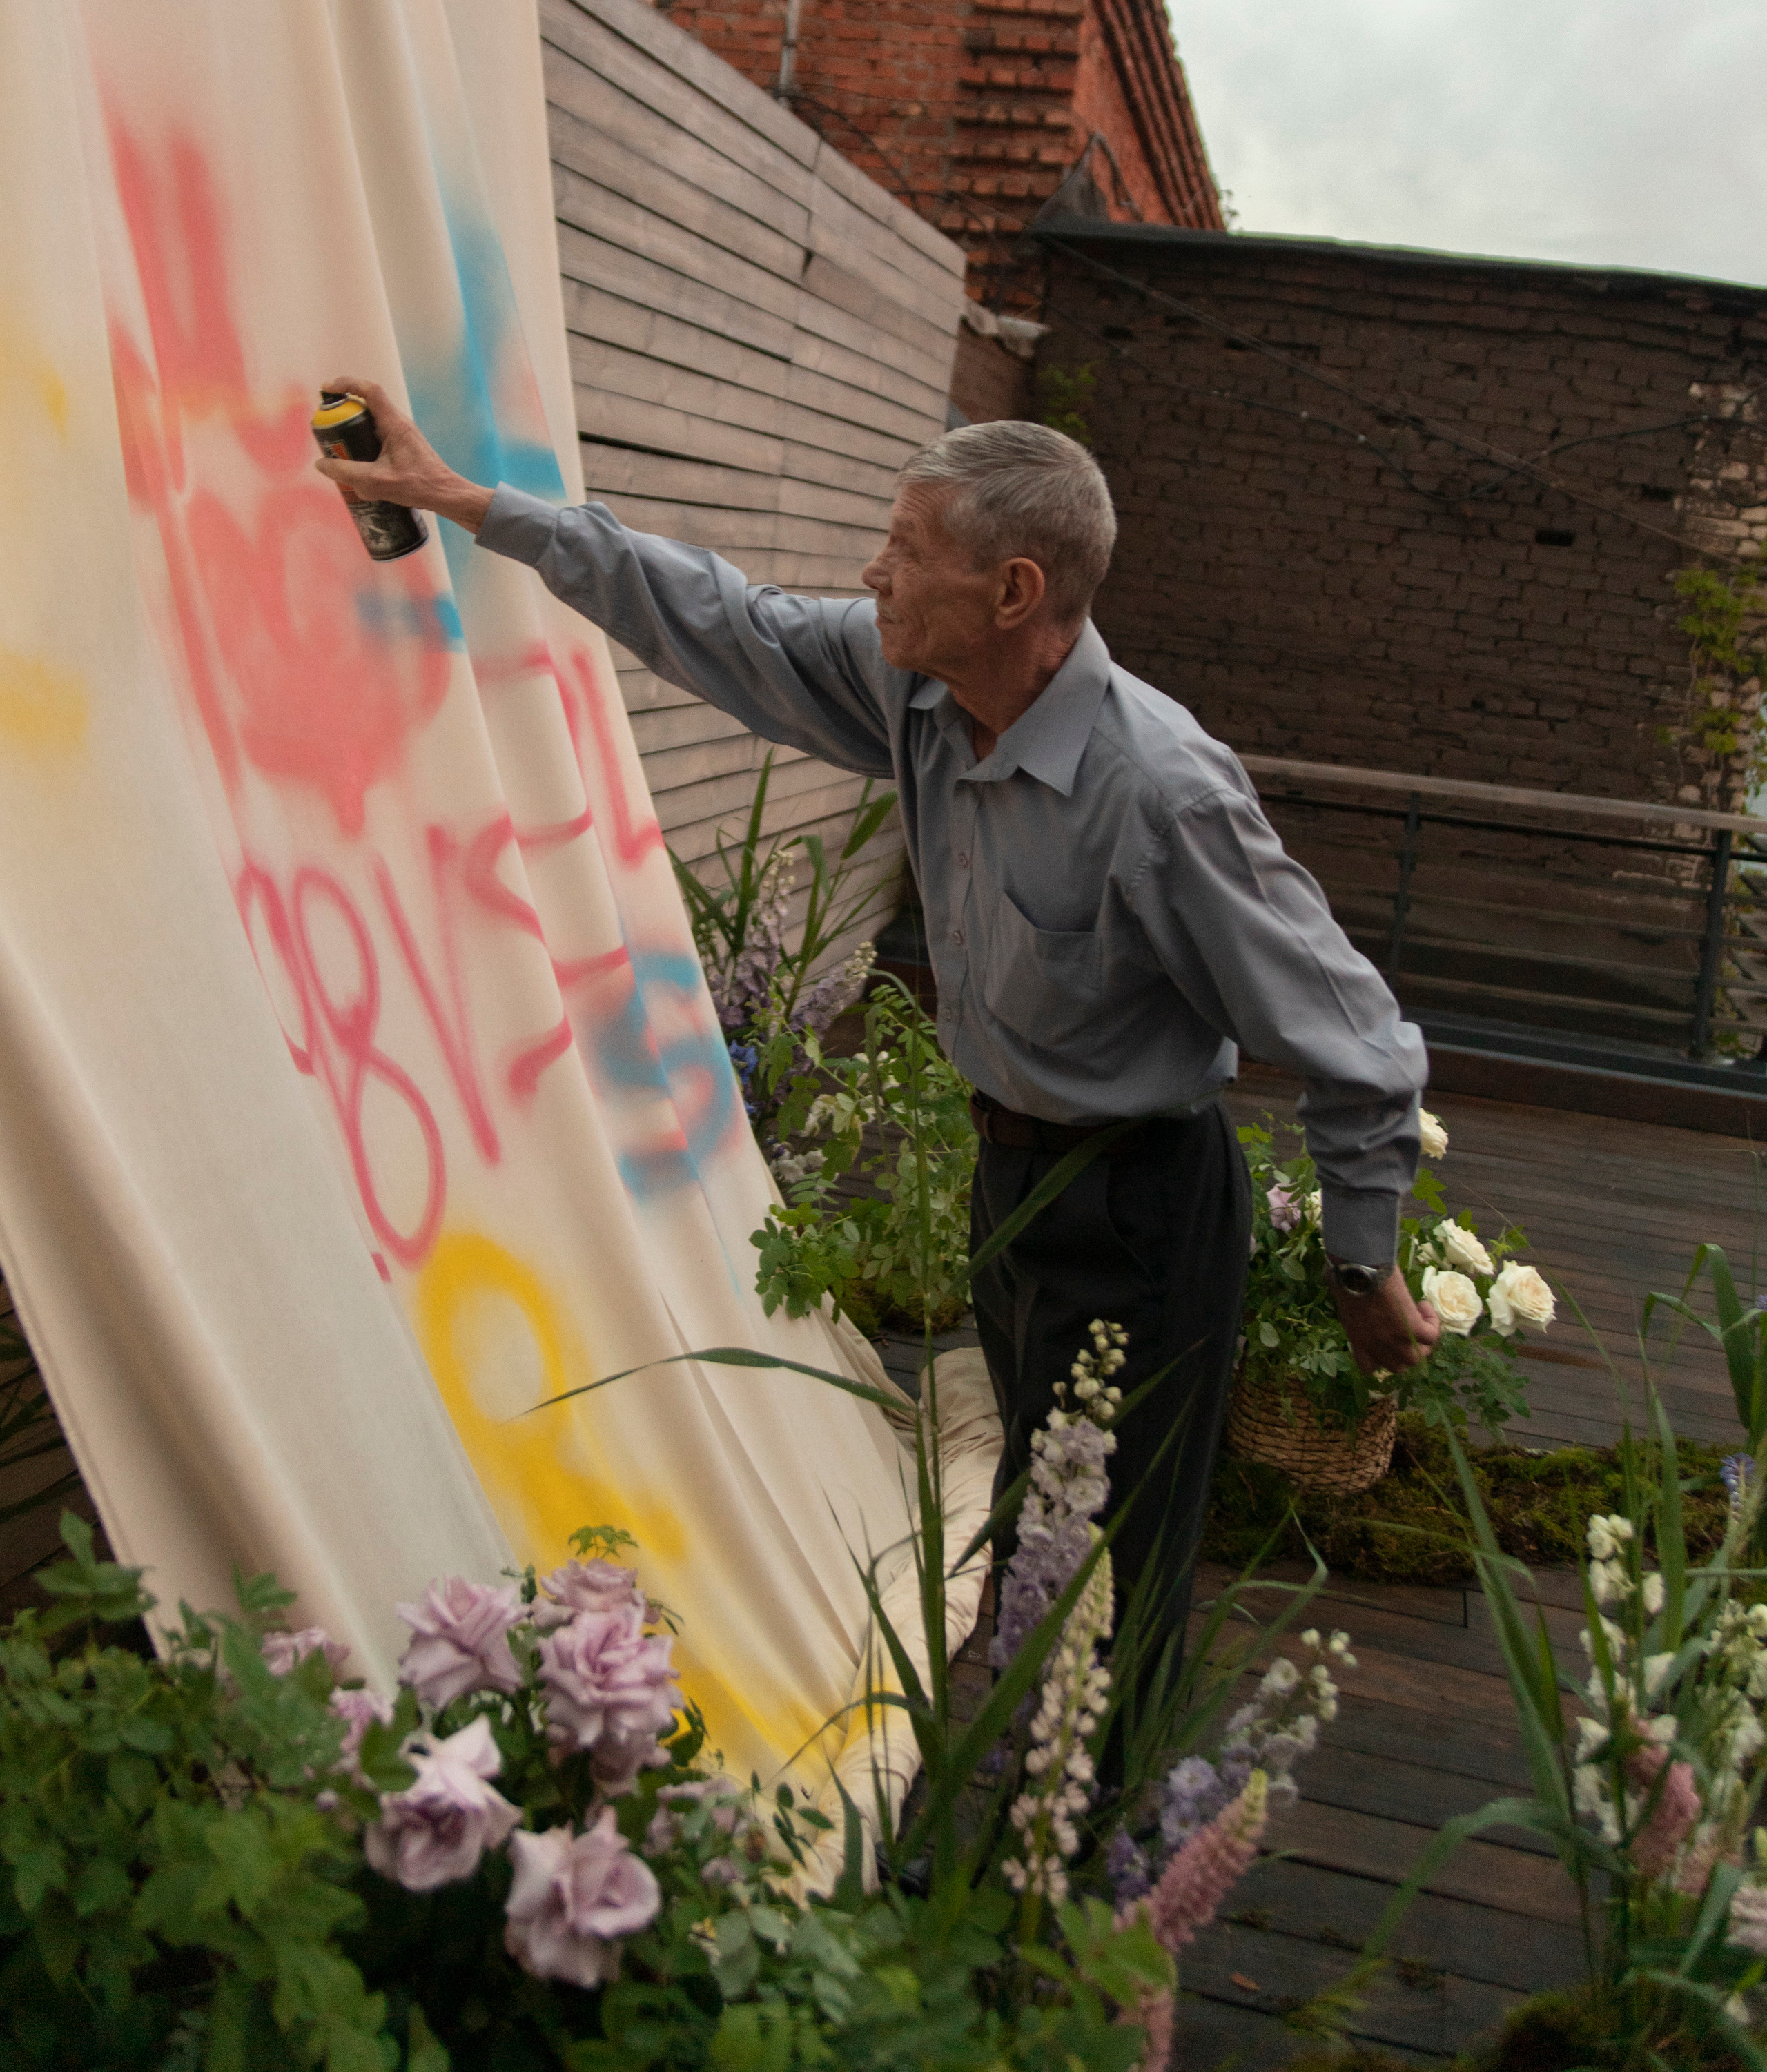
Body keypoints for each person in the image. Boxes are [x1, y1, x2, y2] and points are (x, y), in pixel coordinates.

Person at [317, 387, 1439, 1674]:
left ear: (1014, 592)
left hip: (1142, 1213)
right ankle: (1016, 1808)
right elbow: (719, 614)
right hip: (1012, 1184)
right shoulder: (920, 692)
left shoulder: (1164, 796)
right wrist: (466, 503)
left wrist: (1361, 1270)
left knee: (1110, 1582)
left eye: (907, 549)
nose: (874, 571)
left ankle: (1082, 1851)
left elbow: (1356, 1040)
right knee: (1034, 1525)